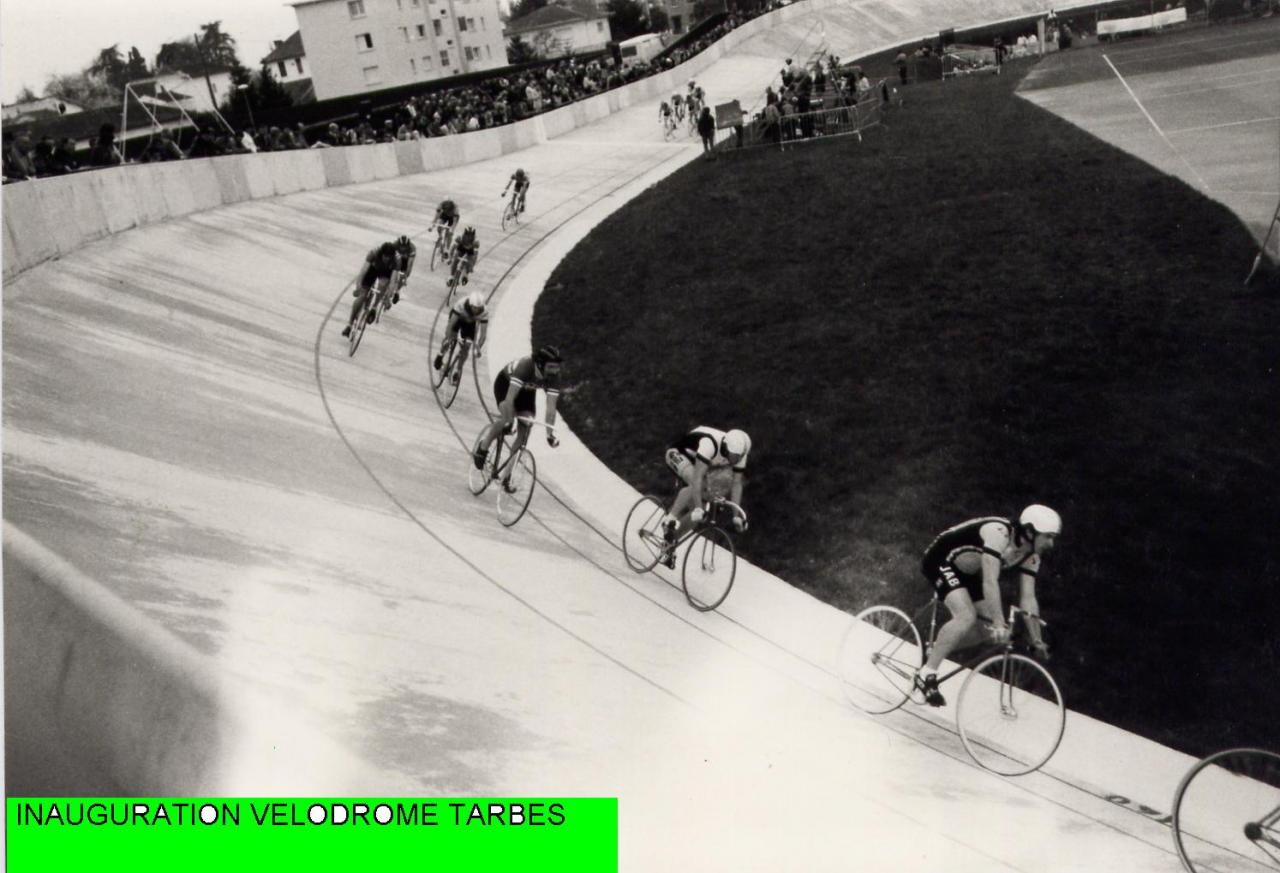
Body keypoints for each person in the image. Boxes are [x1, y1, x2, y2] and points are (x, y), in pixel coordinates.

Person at [913, 505, 1060, 706]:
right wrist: (1000, 623)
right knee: (966, 616)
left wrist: (1036, 640)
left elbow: (1028, 598)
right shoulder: (998, 533)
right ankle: (926, 673)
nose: (1051, 543)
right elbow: (990, 581)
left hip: (968, 572)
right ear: (1030, 531)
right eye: (1048, 536)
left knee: (986, 631)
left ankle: (935, 650)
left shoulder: (1032, 556)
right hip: (941, 558)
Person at [659, 427, 750, 568]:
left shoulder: (739, 452)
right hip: (677, 454)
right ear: (727, 448)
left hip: (699, 463)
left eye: (739, 458)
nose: (736, 461)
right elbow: (697, 479)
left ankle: (670, 543)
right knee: (697, 487)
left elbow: (737, 484)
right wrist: (699, 507)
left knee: (701, 511)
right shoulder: (710, 444)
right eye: (734, 457)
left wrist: (736, 515)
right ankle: (669, 518)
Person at [473, 345, 563, 486]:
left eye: (557, 367)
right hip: (506, 385)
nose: (555, 371)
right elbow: (509, 399)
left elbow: (551, 408)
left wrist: (549, 434)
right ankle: (483, 448)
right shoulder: (525, 366)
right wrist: (510, 420)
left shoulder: (555, 376)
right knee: (506, 419)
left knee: (525, 429)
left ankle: (507, 475)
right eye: (551, 367)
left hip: (527, 392)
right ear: (540, 364)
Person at [341, 241, 401, 338]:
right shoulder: (374, 253)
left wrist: (388, 298)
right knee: (362, 296)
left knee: (383, 284)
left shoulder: (397, 259)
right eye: (385, 257)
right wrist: (358, 287)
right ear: (381, 254)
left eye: (389, 258)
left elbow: (393, 280)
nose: (386, 259)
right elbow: (363, 271)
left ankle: (374, 307)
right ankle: (349, 324)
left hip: (386, 272)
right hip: (373, 269)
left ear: (392, 257)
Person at [434, 290, 489, 384]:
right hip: (458, 318)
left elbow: (483, 335)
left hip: (470, 324)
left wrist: (478, 348)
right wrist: (448, 337)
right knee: (449, 338)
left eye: (479, 308)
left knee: (467, 346)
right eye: (474, 308)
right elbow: (451, 325)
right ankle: (440, 354)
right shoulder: (461, 304)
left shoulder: (484, 312)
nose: (476, 310)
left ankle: (457, 370)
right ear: (470, 304)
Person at [391, 235, 416, 304]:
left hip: (406, 260)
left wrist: (405, 276)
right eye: (402, 246)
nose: (403, 248)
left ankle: (397, 291)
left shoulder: (412, 248)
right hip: (397, 258)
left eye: (405, 247)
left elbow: (410, 264)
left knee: (404, 275)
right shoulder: (395, 244)